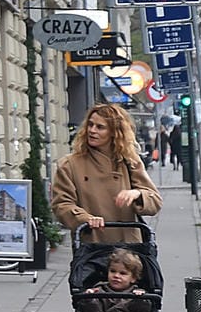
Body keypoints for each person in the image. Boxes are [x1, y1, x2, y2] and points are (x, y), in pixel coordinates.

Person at [51, 103, 164, 244]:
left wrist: (137, 194)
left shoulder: (129, 161)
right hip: (92, 247)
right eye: (90, 125)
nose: (92, 130)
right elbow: (62, 205)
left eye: (100, 127)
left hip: (128, 250)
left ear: (114, 132)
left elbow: (155, 201)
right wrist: (86, 219)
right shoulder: (70, 165)